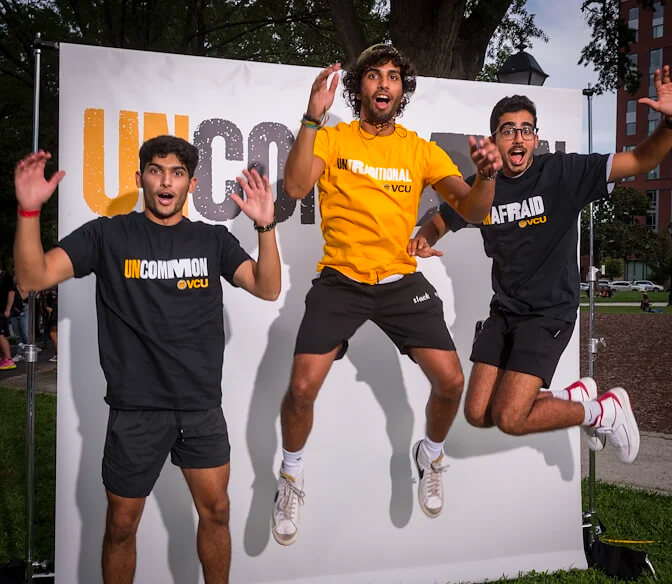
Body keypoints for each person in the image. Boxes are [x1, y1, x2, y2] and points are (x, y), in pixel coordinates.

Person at [13, 135, 281, 584]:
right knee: (121, 527)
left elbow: (267, 287)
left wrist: (266, 227)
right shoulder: (107, 234)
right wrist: (28, 212)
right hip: (136, 408)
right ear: (141, 178)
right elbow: (32, 276)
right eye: (156, 170)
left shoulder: (211, 240)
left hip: (200, 407)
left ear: (191, 184)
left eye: (177, 173)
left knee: (216, 512)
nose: (166, 182)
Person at [272, 44, 502, 545]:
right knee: (303, 386)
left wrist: (485, 175)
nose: (383, 84)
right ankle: (290, 475)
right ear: (359, 88)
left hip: (399, 281)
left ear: (402, 90)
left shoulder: (419, 149)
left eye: (394, 76)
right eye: (374, 76)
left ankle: (431, 454)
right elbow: (292, 188)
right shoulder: (333, 138)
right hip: (341, 279)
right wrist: (311, 118)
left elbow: (476, 210)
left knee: (450, 382)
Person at [410, 65, 672, 464]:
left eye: (526, 129)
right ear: (495, 140)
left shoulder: (562, 172)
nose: (518, 137)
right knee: (477, 413)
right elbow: (443, 218)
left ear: (536, 138)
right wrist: (426, 238)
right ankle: (574, 398)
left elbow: (641, 161)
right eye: (508, 130)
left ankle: (603, 410)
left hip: (548, 311)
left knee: (509, 416)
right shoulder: (483, 185)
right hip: (504, 311)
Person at [0, 265, 17, 370]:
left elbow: (11, 293)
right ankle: (4, 358)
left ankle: (8, 359)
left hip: (2, 311)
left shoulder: (5, 276)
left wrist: (7, 309)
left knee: (0, 335)